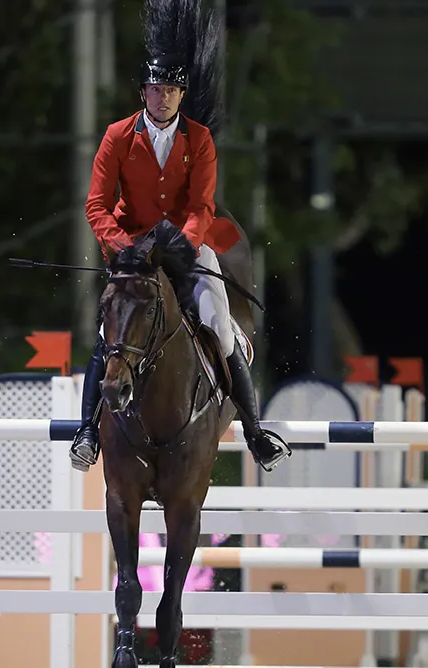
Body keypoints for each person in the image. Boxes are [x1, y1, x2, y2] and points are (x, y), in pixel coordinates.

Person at [69, 55, 290, 473]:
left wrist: (181, 246)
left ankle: (255, 433)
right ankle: (86, 431)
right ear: (143, 93)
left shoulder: (199, 139)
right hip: (134, 249)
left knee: (221, 329)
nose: (164, 97)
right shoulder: (117, 136)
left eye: (171, 91)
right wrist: (123, 246)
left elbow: (202, 205)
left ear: (181, 95)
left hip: (187, 245)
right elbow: (96, 205)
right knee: (107, 334)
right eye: (156, 90)